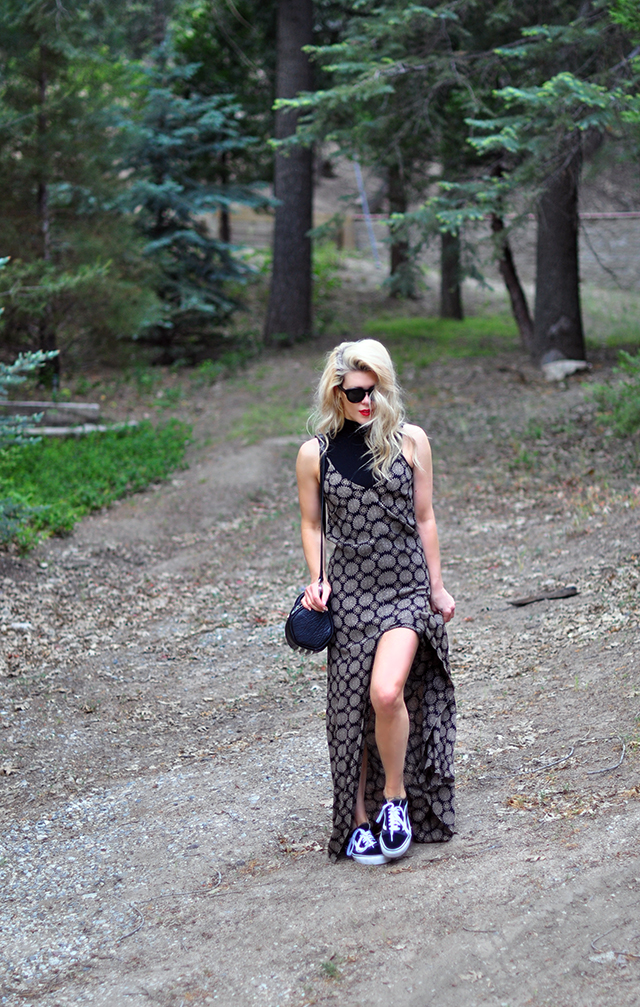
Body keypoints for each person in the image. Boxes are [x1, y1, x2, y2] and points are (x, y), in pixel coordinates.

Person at [296, 339, 456, 865]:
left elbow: (426, 517)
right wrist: (317, 580)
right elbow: (312, 524)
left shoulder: (410, 441)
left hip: (405, 589)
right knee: (350, 711)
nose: (367, 401)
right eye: (356, 392)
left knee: (386, 693)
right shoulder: (314, 455)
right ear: (335, 393)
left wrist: (437, 587)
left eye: (375, 390)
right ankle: (358, 819)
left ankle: (395, 799)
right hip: (351, 596)